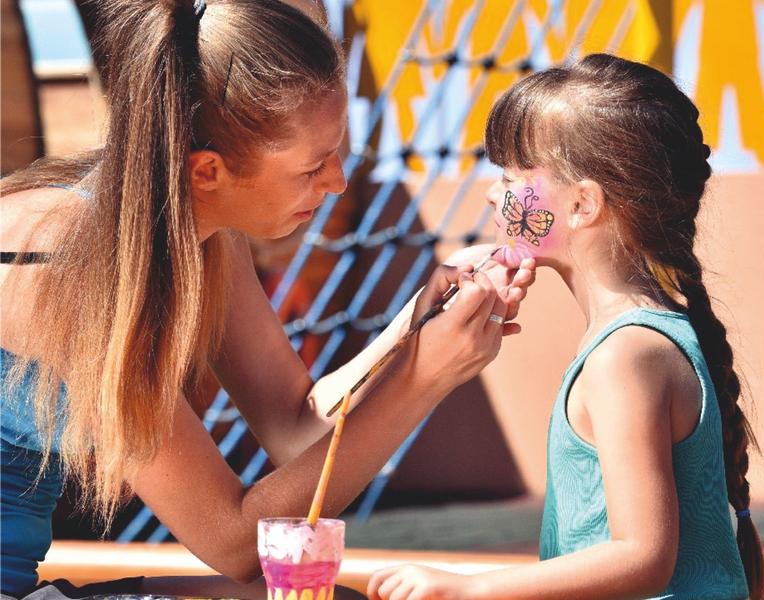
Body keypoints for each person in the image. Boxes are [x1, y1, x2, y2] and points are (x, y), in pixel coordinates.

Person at [0, 1, 536, 598]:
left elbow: (294, 423)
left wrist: (415, 327)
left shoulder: (197, 230)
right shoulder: (60, 270)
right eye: (312, 167)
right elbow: (234, 542)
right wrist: (425, 379)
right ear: (207, 170)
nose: (336, 182)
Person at [367, 53, 764, 600]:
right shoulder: (647, 337)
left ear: (582, 204)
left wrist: (469, 589)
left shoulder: (625, 357)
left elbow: (642, 555)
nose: (492, 193)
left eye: (510, 178)